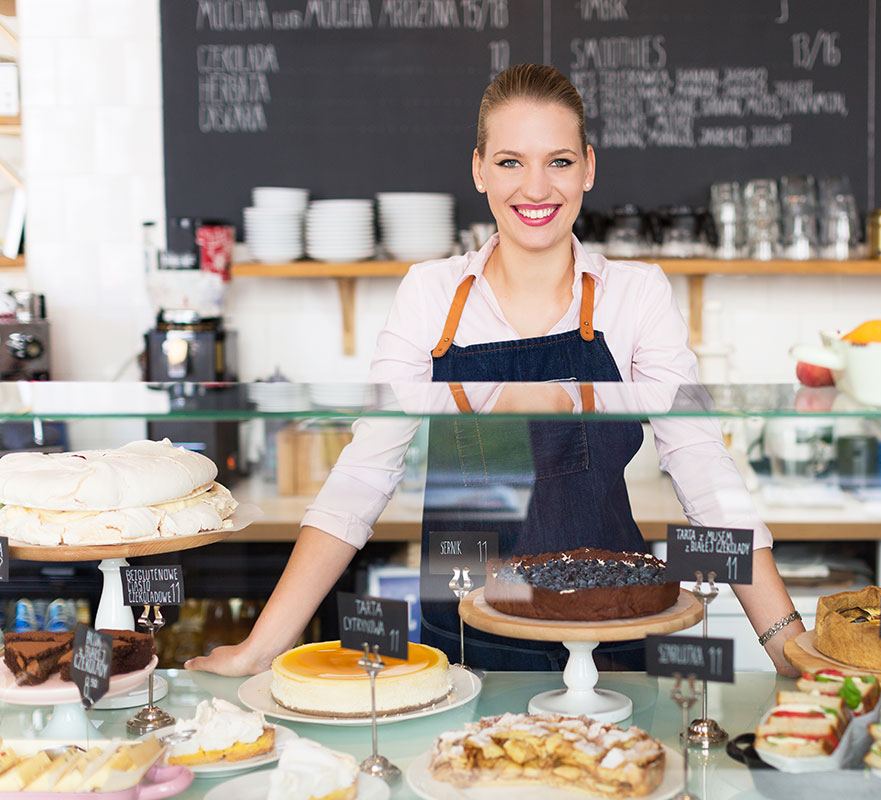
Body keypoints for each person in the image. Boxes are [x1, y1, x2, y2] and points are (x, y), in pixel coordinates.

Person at [188, 63, 805, 676]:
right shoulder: (429, 294)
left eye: (558, 161)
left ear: (588, 167)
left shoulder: (637, 295)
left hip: (611, 628)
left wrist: (783, 640)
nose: (536, 189)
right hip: (466, 634)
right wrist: (260, 648)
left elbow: (703, 471)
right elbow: (362, 478)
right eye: (511, 161)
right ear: (478, 168)